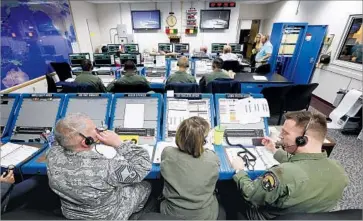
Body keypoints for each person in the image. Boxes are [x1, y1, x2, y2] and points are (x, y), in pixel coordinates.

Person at [230, 111, 348, 220]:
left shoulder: (281, 174)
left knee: (229, 190)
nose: (281, 136)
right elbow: (303, 163)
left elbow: (252, 195)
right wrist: (274, 150)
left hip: (264, 217)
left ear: (302, 140)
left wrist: (239, 171)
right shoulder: (339, 171)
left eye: (285, 133)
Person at [46, 113, 153, 220]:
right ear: (86, 141)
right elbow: (142, 167)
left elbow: (59, 141)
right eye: (95, 130)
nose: (98, 130)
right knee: (145, 186)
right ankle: (135, 215)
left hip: (71, 214)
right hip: (107, 216)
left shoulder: (52, 154)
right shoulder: (107, 168)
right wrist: (119, 144)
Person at [160, 116, 222, 220]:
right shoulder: (212, 158)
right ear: (203, 141)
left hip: (171, 214)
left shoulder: (167, 153)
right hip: (204, 216)